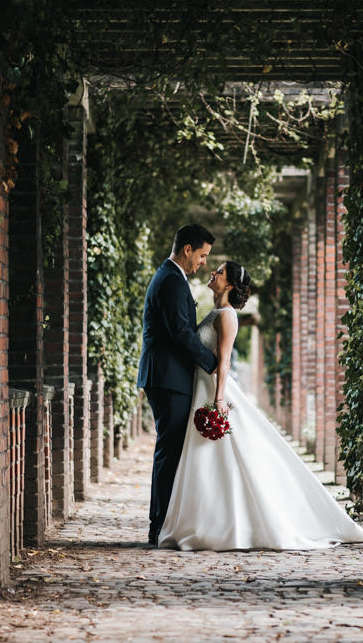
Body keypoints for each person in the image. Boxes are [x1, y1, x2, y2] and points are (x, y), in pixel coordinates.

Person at [158, 261, 363, 551]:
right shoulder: (216, 312)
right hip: (200, 390)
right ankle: (208, 522)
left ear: (229, 284)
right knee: (209, 461)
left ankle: (227, 526)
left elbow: (225, 361)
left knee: (221, 457)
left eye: (218, 272)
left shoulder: (228, 316)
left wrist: (219, 400)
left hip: (212, 392)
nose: (213, 274)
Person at [137, 223, 219, 546]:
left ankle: (164, 523)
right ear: (187, 249)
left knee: (170, 451)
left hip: (168, 377)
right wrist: (213, 364)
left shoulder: (172, 277)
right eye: (202, 255)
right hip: (168, 378)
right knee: (168, 452)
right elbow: (181, 334)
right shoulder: (171, 280)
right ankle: (158, 526)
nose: (203, 263)